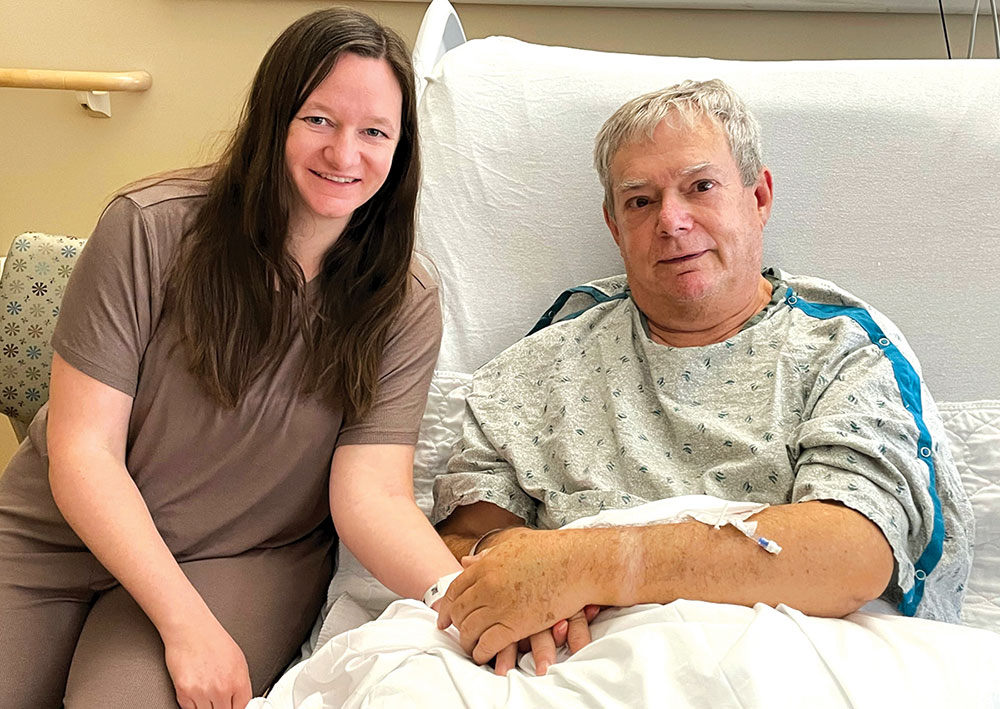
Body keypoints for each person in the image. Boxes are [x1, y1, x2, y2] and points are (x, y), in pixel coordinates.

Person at [0, 8, 465, 708]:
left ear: (401, 150)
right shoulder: (148, 228)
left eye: (375, 132)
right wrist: (183, 623)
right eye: (318, 120)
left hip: (240, 558)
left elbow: (372, 494)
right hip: (58, 531)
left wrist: (465, 598)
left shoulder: (403, 299)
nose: (345, 154)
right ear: (274, 117)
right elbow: (83, 453)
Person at [432, 79, 974, 673]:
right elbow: (459, 544)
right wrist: (512, 576)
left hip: (779, 665)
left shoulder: (842, 350)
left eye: (701, 187)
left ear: (759, 197)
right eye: (640, 201)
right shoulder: (541, 367)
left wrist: (585, 564)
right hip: (570, 664)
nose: (671, 221)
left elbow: (853, 553)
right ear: (614, 225)